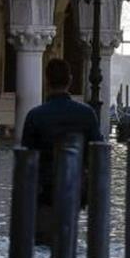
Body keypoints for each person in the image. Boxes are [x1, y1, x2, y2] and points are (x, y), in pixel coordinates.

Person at [21, 58, 104, 245]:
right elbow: (97, 153)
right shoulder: (86, 113)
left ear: (47, 80)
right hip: (74, 188)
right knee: (67, 240)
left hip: (44, 190)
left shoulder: (35, 115)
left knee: (43, 241)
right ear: (70, 80)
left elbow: (26, 157)